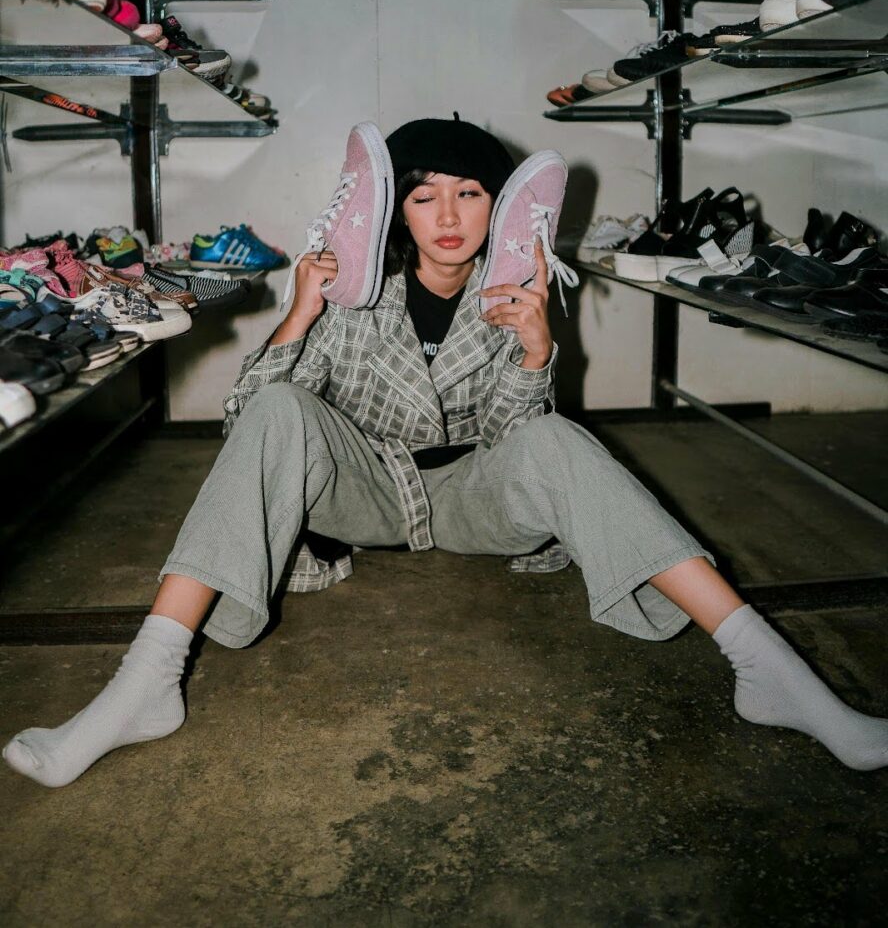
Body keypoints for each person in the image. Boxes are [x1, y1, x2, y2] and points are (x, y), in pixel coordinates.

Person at [4, 116, 887, 787]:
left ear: (497, 208)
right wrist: (301, 313)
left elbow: (516, 445)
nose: (449, 214)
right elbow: (247, 429)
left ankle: (767, 671)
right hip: (359, 489)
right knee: (277, 404)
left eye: (470, 193)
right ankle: (146, 682)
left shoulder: (513, 288)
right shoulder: (353, 288)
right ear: (397, 209)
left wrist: (539, 349)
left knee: (555, 434)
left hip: (472, 497)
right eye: (425, 194)